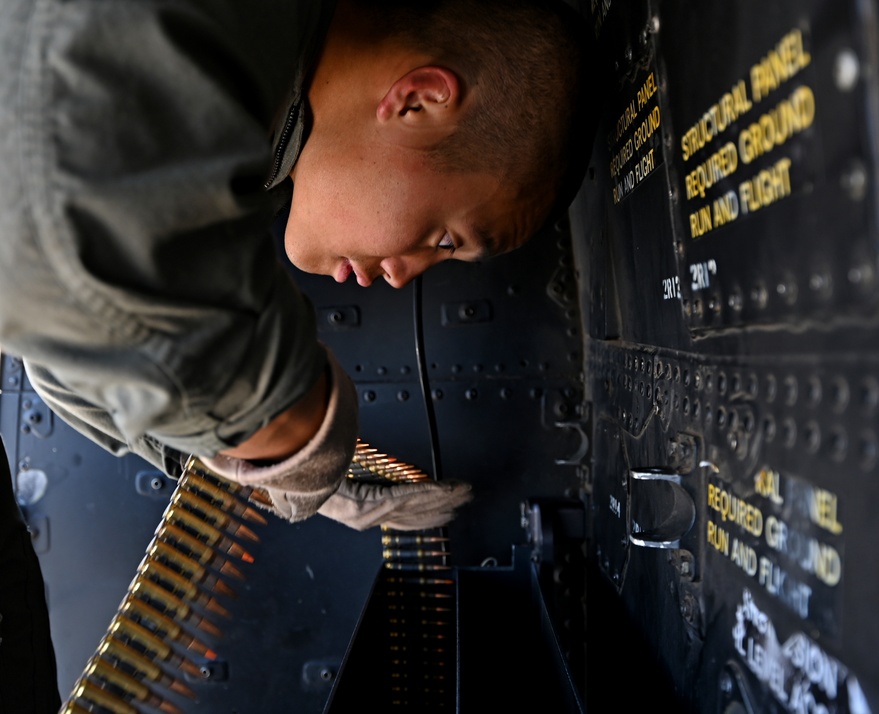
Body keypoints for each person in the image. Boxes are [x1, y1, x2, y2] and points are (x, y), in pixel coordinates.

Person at [0, 0, 597, 707]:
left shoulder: (245, 108)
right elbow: (60, 214)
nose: (406, 272)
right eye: (444, 237)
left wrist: (238, 452)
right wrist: (292, 430)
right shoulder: (197, 47)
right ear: (419, 100)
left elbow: (61, 349)